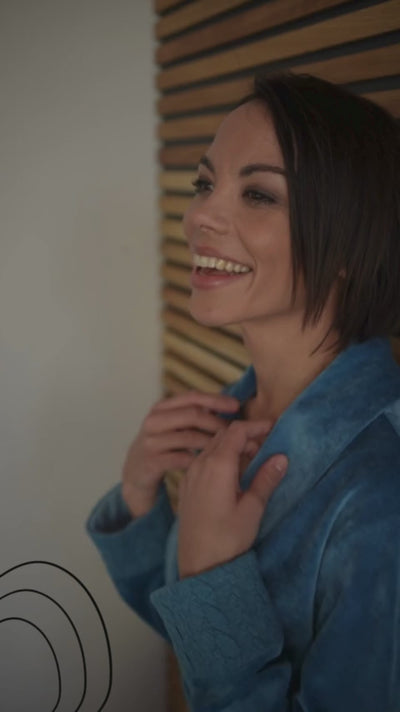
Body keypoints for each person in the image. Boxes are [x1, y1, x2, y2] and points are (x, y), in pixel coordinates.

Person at [86, 71, 400, 711]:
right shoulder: (232, 419)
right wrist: (141, 497)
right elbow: (191, 636)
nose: (198, 216)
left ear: (351, 238)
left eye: (258, 194)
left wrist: (211, 577)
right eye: (205, 184)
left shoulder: (381, 496)